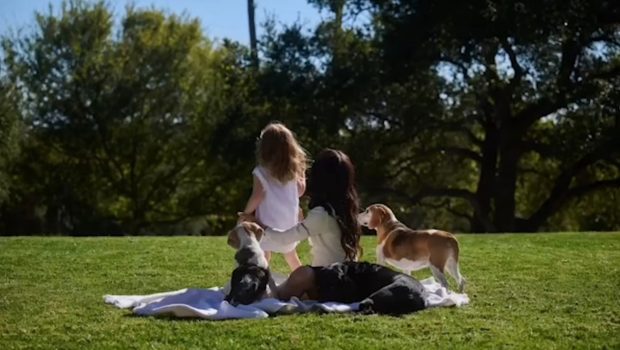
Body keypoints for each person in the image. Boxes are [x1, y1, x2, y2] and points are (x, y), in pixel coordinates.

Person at [261, 148, 363, 267]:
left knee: (299, 276)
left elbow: (285, 238)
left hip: (328, 277)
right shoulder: (347, 209)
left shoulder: (322, 214)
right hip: (349, 274)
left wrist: (259, 225)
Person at [241, 122, 306, 271]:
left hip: (267, 224)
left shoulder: (260, 171)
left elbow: (258, 195)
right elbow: (300, 191)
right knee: (291, 255)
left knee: (264, 255)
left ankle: (260, 282)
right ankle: (306, 284)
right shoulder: (292, 171)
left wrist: (246, 213)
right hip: (289, 224)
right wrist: (302, 174)